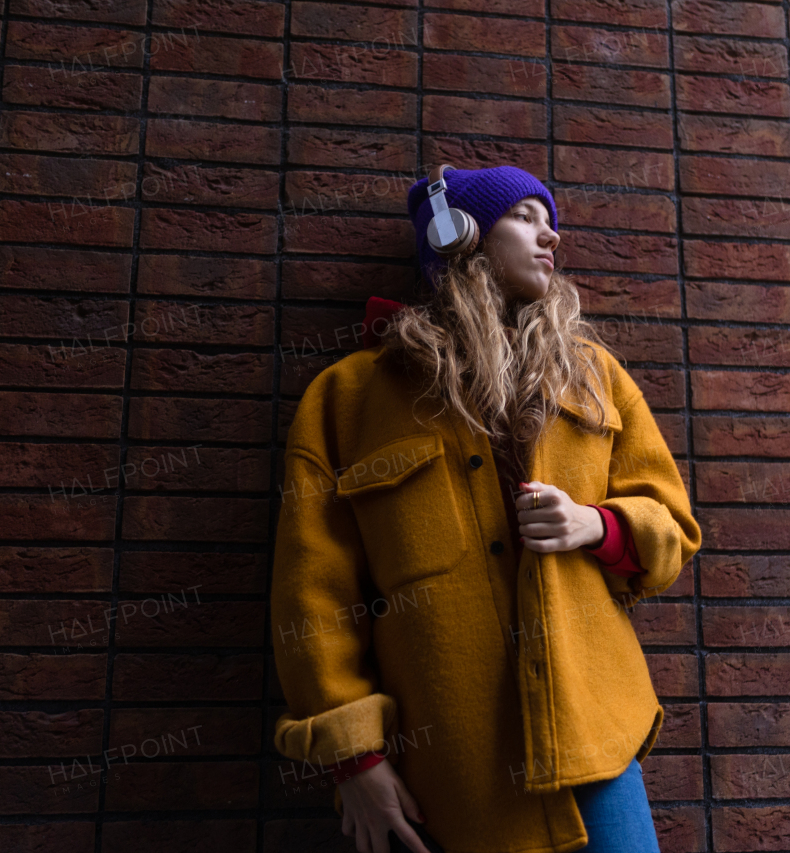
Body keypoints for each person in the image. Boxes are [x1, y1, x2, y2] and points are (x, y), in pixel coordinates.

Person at [271, 164, 702, 853]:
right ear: (456, 234)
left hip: (598, 739)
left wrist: (599, 524)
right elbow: (313, 596)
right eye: (525, 215)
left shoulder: (594, 376)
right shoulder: (350, 398)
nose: (550, 234)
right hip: (454, 766)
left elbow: (673, 525)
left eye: (548, 217)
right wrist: (353, 756)